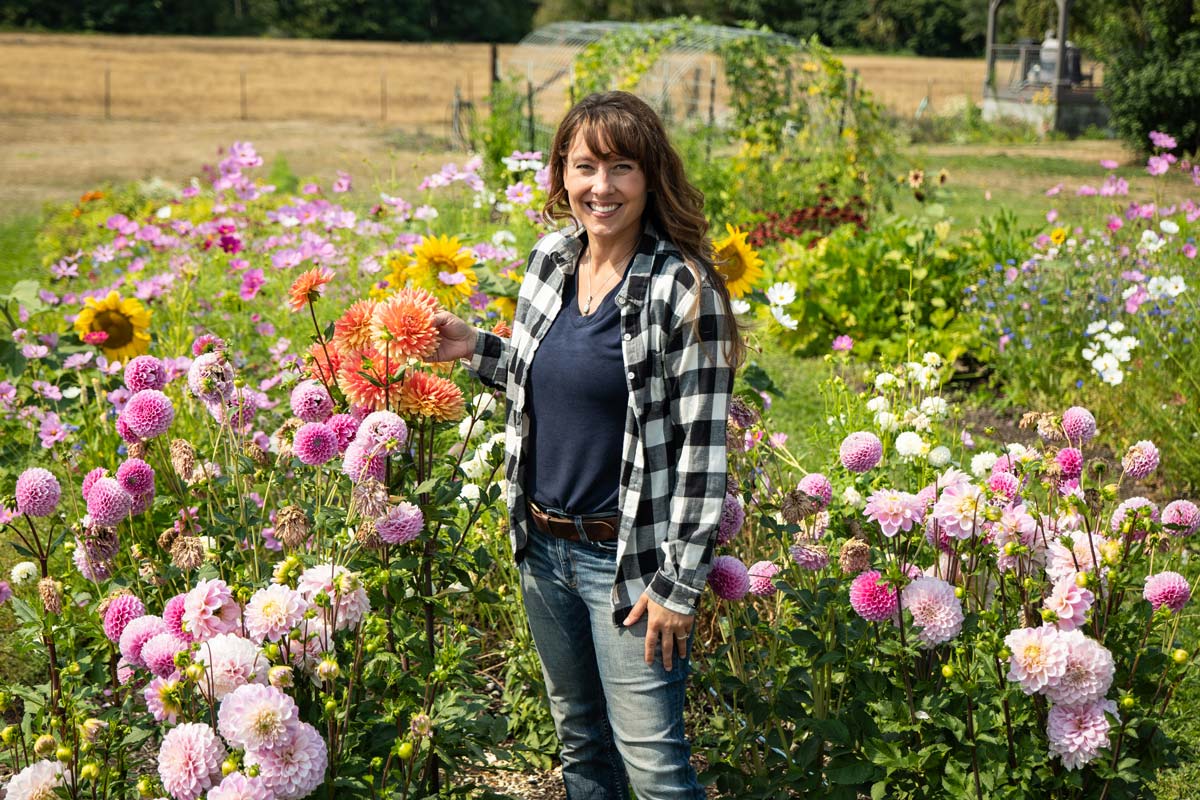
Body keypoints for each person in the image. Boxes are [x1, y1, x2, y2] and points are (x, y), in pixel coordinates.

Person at [426, 90, 743, 799]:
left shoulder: (684, 290)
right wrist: (474, 346)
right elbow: (551, 384)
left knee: (654, 768)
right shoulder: (550, 261)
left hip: (628, 569)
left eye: (622, 167)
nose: (601, 187)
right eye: (585, 167)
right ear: (561, 176)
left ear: (650, 177)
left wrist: (679, 586)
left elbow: (703, 454)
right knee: (581, 746)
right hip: (543, 548)